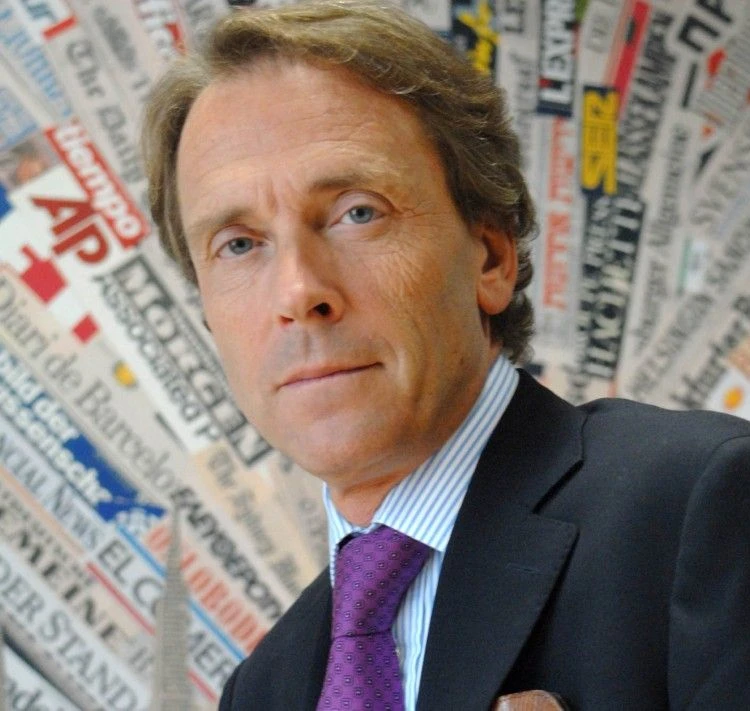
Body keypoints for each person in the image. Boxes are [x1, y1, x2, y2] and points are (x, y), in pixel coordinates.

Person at [141, 2, 750, 708]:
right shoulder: (262, 690)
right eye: (239, 245)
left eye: (358, 212)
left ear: (490, 256)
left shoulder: (703, 504)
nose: (299, 292)